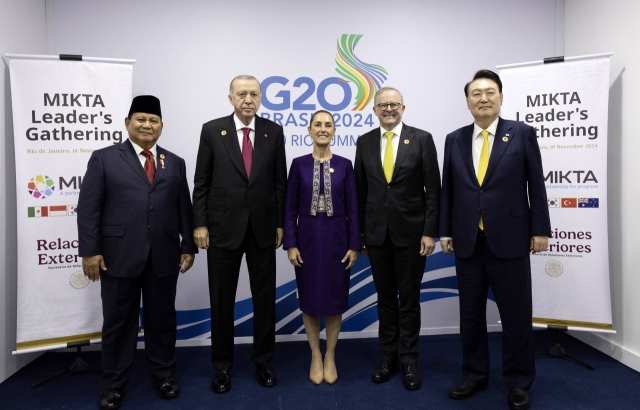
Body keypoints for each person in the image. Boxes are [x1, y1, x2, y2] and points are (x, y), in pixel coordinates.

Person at [439, 69, 551, 410]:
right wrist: (445, 230)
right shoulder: (454, 138)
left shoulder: (521, 134)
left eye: (489, 92)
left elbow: (536, 184)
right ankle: (474, 375)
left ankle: (519, 381)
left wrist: (540, 228)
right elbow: (449, 189)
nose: (483, 98)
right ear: (468, 101)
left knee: (516, 315)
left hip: (511, 238)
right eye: (476, 93)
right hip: (467, 240)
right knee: (470, 314)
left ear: (501, 98)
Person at [78, 95, 197, 410]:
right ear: (127, 123)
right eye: (141, 119)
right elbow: (89, 210)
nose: (147, 125)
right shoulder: (104, 158)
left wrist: (189, 245)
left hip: (164, 255)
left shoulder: (174, 162)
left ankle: (164, 376)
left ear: (161, 126)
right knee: (118, 323)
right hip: (117, 255)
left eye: (153, 120)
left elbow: (183, 206)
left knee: (162, 320)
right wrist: (90, 252)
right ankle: (114, 385)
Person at [192, 75, 287, 393]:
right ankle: (221, 367)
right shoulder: (211, 130)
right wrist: (200, 223)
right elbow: (201, 182)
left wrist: (279, 223)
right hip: (221, 228)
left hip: (262, 229)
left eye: (254, 94)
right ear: (230, 98)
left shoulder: (273, 131)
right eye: (242, 94)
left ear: (260, 99)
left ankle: (263, 361)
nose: (249, 99)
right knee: (221, 302)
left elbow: (279, 182)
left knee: (265, 301)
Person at [354, 87, 441, 391]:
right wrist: (361, 234)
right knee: (386, 301)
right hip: (376, 236)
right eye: (383, 105)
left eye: (393, 104)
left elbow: (434, 190)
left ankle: (409, 361)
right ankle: (387, 359)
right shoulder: (364, 142)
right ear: (374, 110)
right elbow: (360, 192)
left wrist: (431, 232)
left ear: (403, 107)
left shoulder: (421, 139)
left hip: (412, 235)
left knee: (410, 301)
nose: (388, 109)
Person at [283, 110, 360, 385]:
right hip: (307, 240)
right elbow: (289, 209)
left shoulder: (345, 165)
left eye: (328, 125)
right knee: (310, 298)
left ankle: (331, 355)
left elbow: (354, 209)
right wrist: (290, 243)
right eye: (318, 124)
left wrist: (354, 245)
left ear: (335, 130)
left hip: (338, 238)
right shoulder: (298, 165)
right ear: (309, 129)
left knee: (335, 299)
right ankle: (315, 354)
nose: (323, 129)